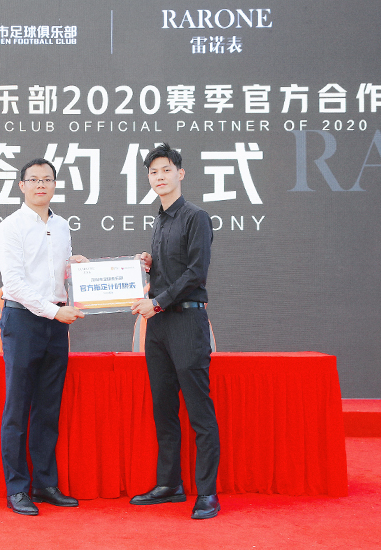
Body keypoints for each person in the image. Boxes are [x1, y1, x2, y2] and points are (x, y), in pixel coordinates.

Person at [129, 143, 221, 520]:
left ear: (180, 174)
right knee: (163, 410)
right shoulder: (160, 221)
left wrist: (158, 301)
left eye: (166, 170)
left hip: (185, 322)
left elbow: (195, 273)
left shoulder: (196, 217)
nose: (160, 177)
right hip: (159, 327)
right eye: (153, 172)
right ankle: (169, 485)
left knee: (199, 412)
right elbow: (170, 272)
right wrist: (149, 265)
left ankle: (208, 493)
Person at [0, 158, 87, 516]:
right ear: (22, 186)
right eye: (33, 180)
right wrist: (53, 311)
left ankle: (46, 484)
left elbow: (56, 274)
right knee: (18, 408)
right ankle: (17, 488)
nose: (40, 185)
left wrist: (75, 268)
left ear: (54, 185)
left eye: (46, 179)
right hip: (23, 321)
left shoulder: (61, 226)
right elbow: (14, 284)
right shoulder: (11, 227)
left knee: (48, 408)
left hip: (56, 324)